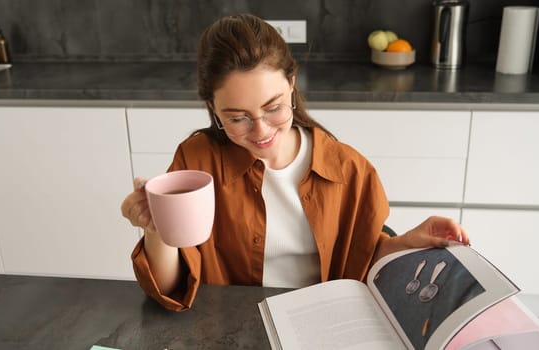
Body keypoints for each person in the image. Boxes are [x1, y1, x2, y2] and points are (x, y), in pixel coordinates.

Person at [120, 13, 469, 312]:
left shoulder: (349, 170)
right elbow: (170, 288)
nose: (260, 131)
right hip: (231, 331)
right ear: (212, 107)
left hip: (322, 325)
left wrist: (409, 242)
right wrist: (156, 229)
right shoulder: (197, 161)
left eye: (273, 107)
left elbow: (362, 258)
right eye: (238, 117)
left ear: (291, 83)